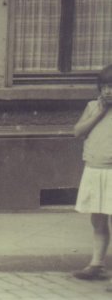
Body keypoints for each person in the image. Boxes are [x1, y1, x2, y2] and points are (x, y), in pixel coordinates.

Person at [72, 64, 112, 283]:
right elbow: (78, 132)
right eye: (104, 86)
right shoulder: (92, 106)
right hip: (95, 169)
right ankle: (97, 264)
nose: (108, 91)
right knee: (97, 220)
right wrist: (99, 113)